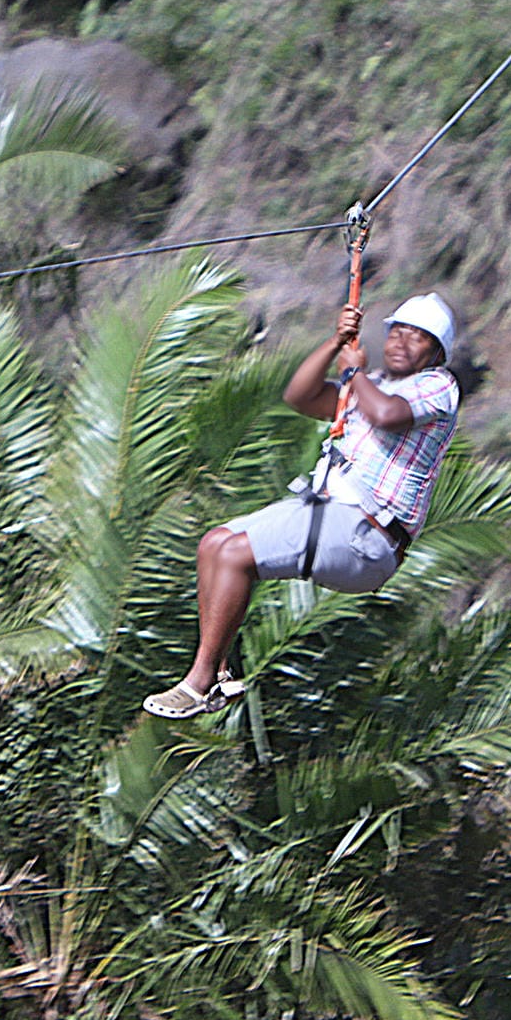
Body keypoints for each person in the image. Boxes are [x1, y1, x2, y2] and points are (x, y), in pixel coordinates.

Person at [142, 292, 461, 719]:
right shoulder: (371, 385)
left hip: (367, 536)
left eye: (417, 338)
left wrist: (354, 371)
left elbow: (387, 415)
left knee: (237, 556)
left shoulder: (438, 386)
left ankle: (197, 684)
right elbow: (300, 396)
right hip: (327, 511)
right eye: (396, 332)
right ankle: (217, 674)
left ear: (436, 353)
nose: (401, 342)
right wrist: (334, 344)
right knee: (214, 544)